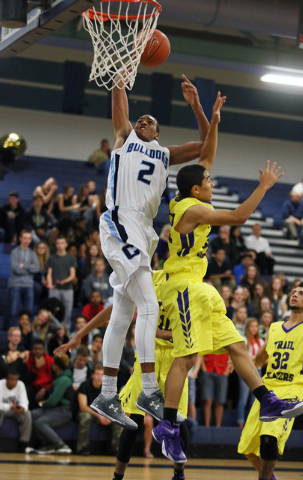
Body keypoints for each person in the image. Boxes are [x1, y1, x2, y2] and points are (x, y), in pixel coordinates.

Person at [152, 154, 303, 463]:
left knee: (237, 345)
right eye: (208, 182)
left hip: (200, 287)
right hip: (182, 286)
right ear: (195, 189)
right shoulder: (193, 209)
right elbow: (238, 218)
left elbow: (204, 158)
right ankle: (167, 425)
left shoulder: (186, 197)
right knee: (186, 356)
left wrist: (209, 118)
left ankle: (267, 401)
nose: (212, 184)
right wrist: (263, 187)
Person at [91, 73, 214, 429]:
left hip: (143, 230)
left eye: (151, 122)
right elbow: (120, 103)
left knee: (122, 314)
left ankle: (107, 394)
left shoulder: (166, 154)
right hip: (122, 220)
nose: (143, 122)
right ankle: (148, 389)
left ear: (158, 133)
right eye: (140, 119)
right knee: (150, 305)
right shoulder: (123, 138)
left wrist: (196, 106)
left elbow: (207, 143)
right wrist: (119, 75)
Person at [54, 270, 189, 480]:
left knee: (178, 424)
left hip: (176, 361)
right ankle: (117, 477)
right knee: (132, 423)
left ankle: (178, 474)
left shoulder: (196, 286)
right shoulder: (152, 277)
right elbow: (116, 310)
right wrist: (79, 334)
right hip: (148, 360)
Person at [238, 283, 303, 480]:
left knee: (269, 439)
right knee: (247, 448)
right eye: (293, 292)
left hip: (292, 391)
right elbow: (258, 360)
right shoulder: (274, 328)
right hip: (267, 391)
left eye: (301, 293)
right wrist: (240, 362)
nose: (295, 295)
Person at [26, 354, 72, 455]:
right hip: (54, 409)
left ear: (56, 366)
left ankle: (61, 445)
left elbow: (53, 400)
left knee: (40, 423)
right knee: (32, 415)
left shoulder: (64, 379)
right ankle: (47, 445)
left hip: (63, 410)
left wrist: (44, 404)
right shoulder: (60, 378)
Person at [76, 364, 111, 455]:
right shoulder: (84, 386)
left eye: (102, 375)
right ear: (92, 375)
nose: (100, 377)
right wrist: (99, 415)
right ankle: (82, 447)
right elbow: (83, 407)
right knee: (85, 416)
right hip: (86, 413)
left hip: (100, 414)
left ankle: (116, 448)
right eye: (97, 374)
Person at [8, 229, 40, 327]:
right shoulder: (14, 252)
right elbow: (16, 269)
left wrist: (23, 266)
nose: (27, 240)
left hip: (29, 285)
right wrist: (29, 267)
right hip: (16, 284)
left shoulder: (32, 253)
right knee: (14, 311)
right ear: (20, 238)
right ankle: (13, 331)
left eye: (29, 238)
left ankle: (26, 333)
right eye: (25, 238)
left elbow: (36, 268)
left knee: (28, 312)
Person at [237, 318, 264, 429]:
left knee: (255, 399)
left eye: (256, 326)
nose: (254, 329)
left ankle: (251, 424)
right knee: (243, 397)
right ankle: (240, 422)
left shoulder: (261, 341)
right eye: (252, 326)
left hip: (258, 370)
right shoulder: (243, 339)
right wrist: (256, 360)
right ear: (247, 328)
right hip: (246, 369)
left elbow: (263, 358)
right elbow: (242, 357)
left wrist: (257, 360)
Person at [46, 235, 77, 329]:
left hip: (67, 288)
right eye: (58, 243)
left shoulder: (71, 258)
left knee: (68, 311)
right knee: (52, 310)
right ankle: (52, 329)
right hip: (55, 288)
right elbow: (49, 273)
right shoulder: (52, 258)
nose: (60, 245)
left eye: (62, 243)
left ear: (66, 244)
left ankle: (65, 330)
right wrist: (50, 284)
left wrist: (65, 281)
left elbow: (73, 275)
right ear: (56, 245)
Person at [0, 369, 32, 452]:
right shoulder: (0, 384)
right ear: (6, 379)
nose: (14, 382)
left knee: (27, 414)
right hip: (3, 410)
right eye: (12, 380)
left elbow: (25, 402)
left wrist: (22, 409)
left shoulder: (20, 385)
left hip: (15, 411)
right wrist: (10, 407)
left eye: (16, 380)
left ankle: (24, 444)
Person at [200, 353, 232, 427]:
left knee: (220, 402)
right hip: (208, 369)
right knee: (208, 400)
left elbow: (231, 351)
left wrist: (227, 370)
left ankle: (218, 427)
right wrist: (203, 367)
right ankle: (207, 426)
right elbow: (201, 352)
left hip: (222, 370)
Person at [25, 339, 54, 409]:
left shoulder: (51, 361)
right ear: (31, 350)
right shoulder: (27, 360)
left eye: (40, 349)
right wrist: (36, 368)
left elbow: (54, 379)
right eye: (35, 349)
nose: (37, 351)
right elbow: (26, 381)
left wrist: (45, 388)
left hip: (46, 388)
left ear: (44, 350)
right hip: (32, 388)